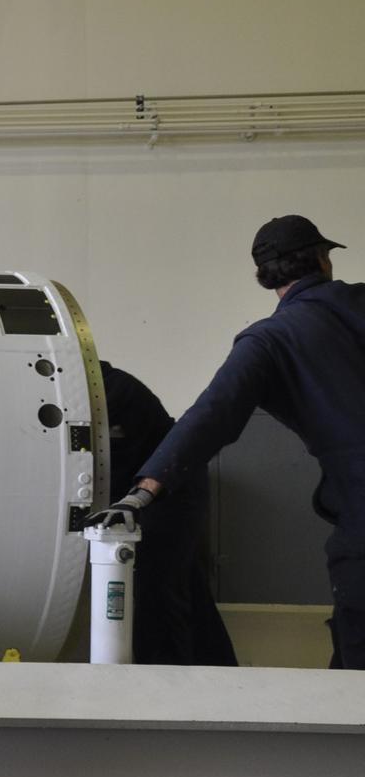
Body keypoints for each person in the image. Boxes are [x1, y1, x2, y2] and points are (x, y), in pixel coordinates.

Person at [90, 214, 365, 668]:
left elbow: (211, 416)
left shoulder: (269, 341)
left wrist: (141, 494)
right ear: (323, 259)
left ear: (264, 276)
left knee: (357, 649)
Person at [99, 361, 238, 666]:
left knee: (158, 586)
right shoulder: (104, 387)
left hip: (172, 490)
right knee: (182, 583)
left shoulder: (110, 390)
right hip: (159, 486)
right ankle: (215, 668)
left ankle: (165, 673)